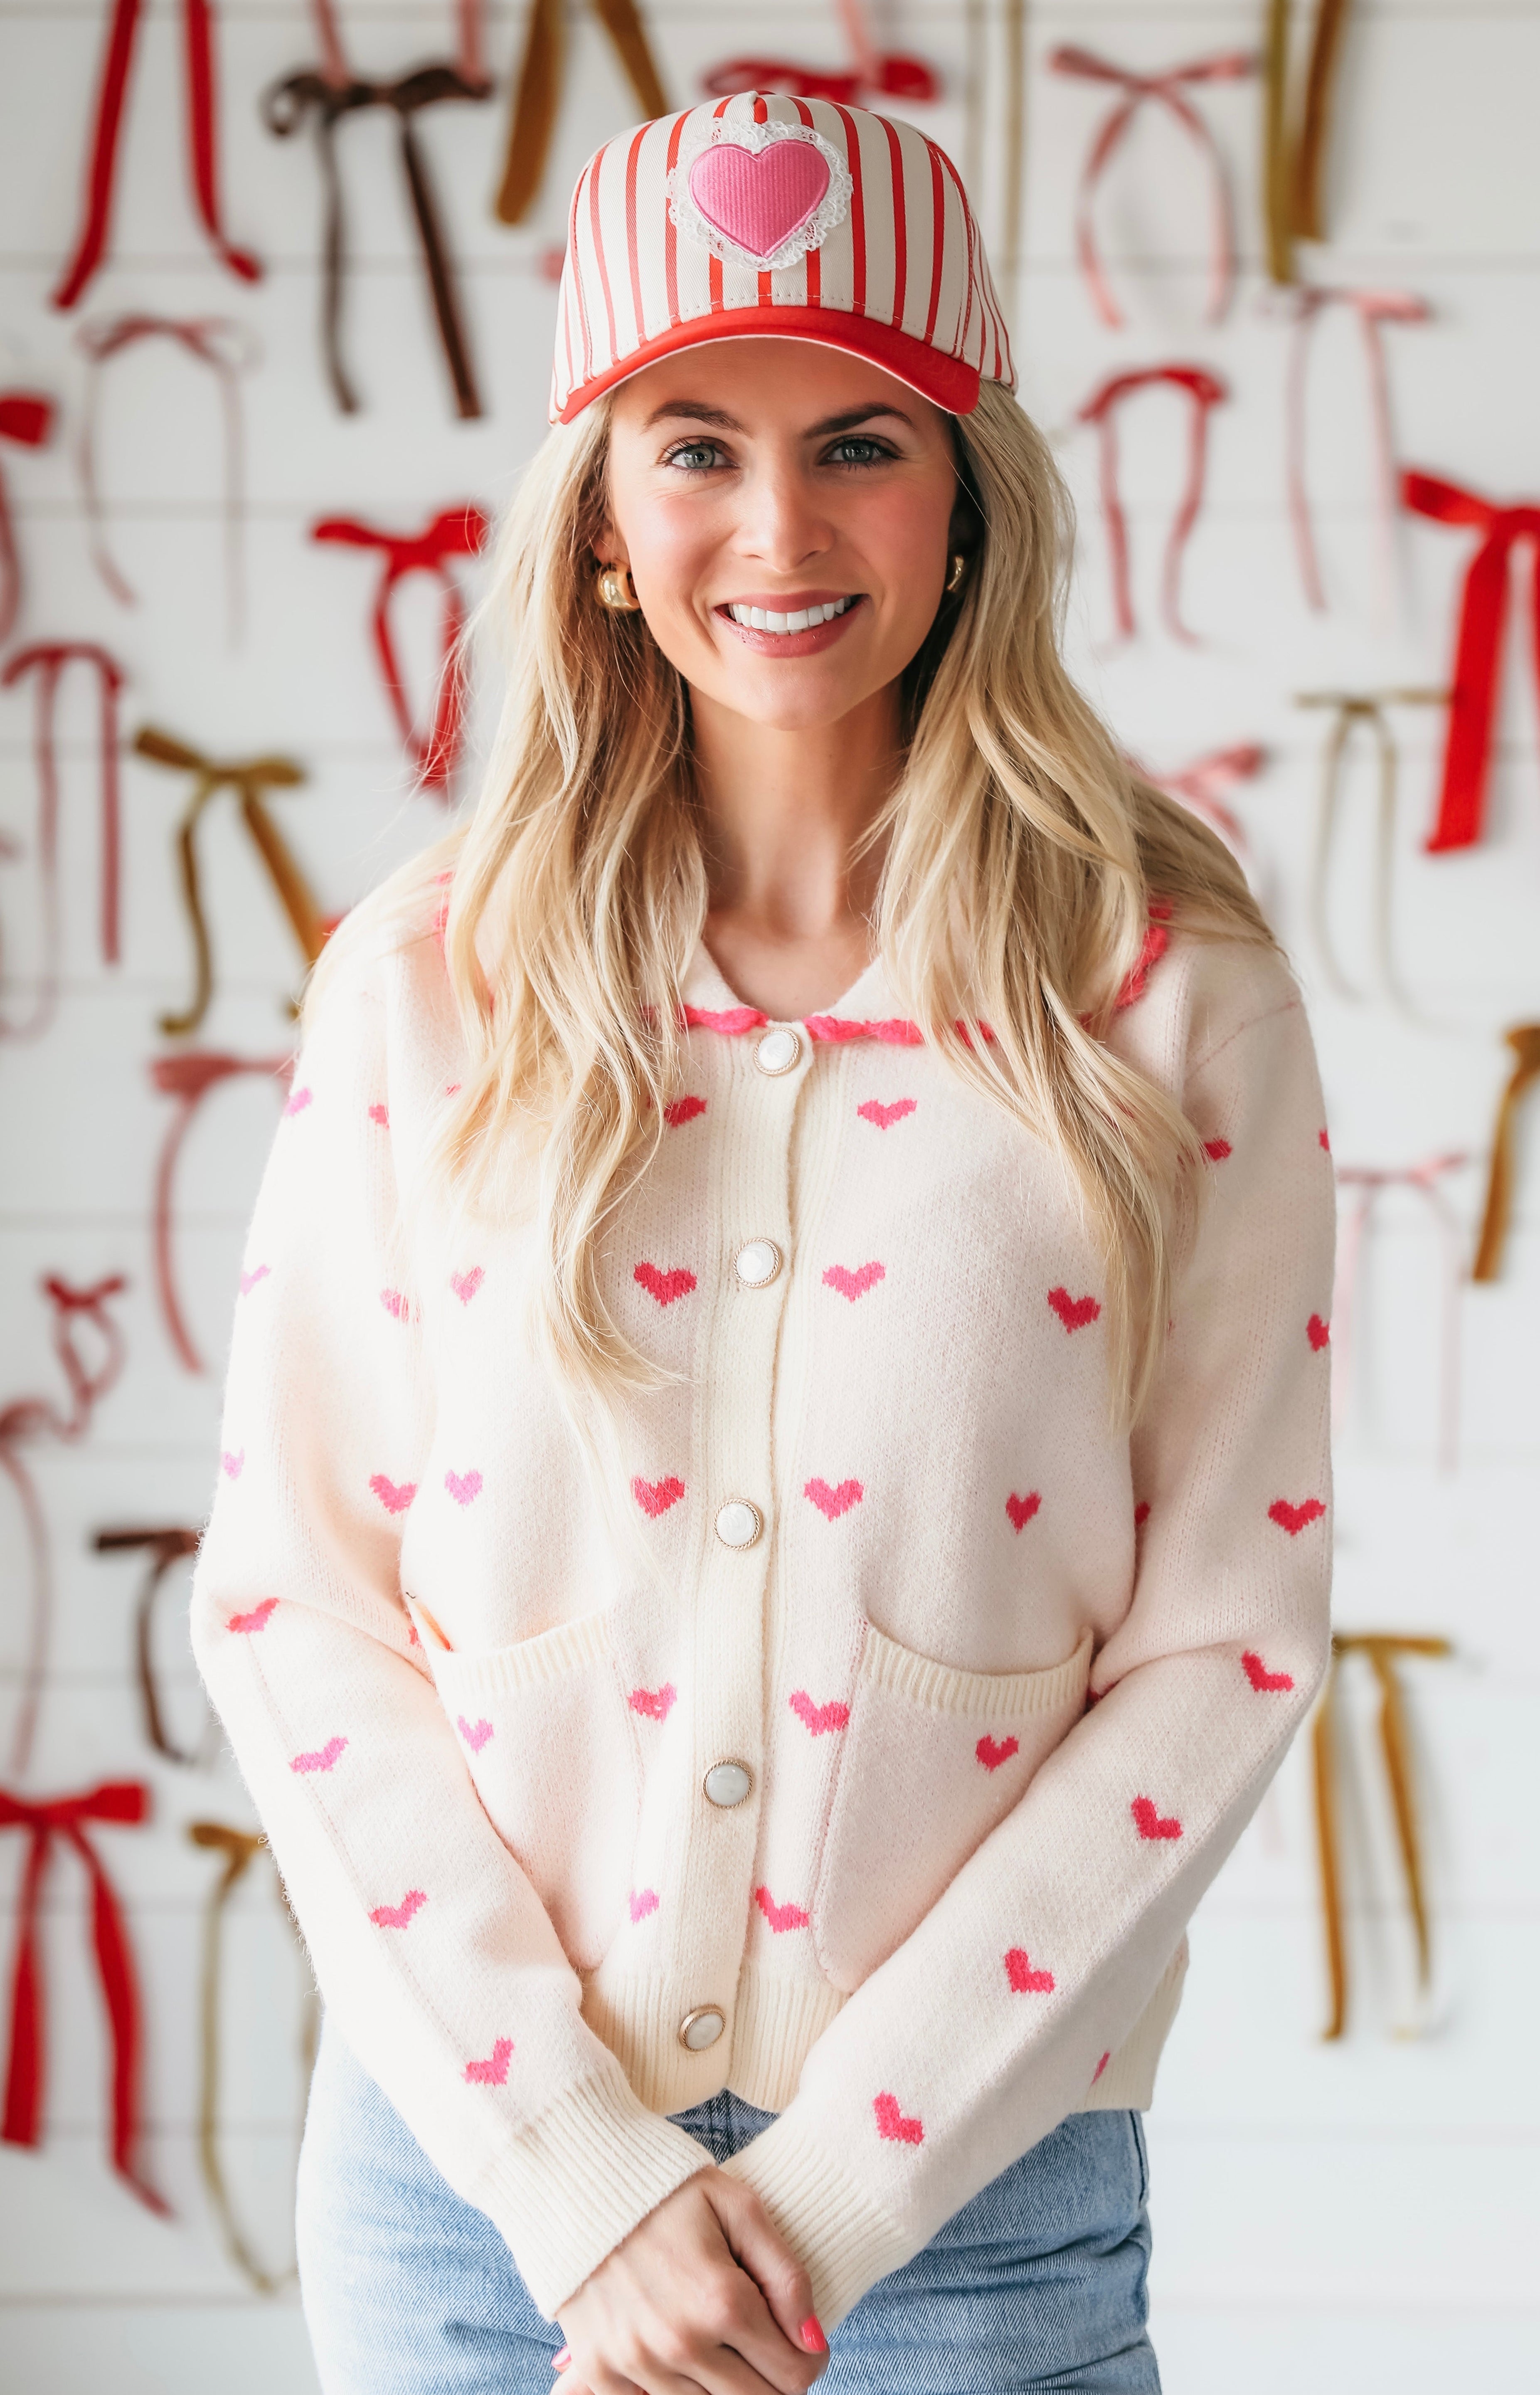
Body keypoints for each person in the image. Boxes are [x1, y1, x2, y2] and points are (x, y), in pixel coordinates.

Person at [192, 92, 1333, 2395]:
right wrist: (584, 2179)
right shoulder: (428, 981)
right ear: (602, 522)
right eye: (696, 444)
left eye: (867, 442)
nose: (781, 525)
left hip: (975, 2220)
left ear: (971, 500)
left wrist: (816, 2207)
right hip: (476, 2208)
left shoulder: (1167, 989)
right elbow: (296, 1603)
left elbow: (1224, 1642)